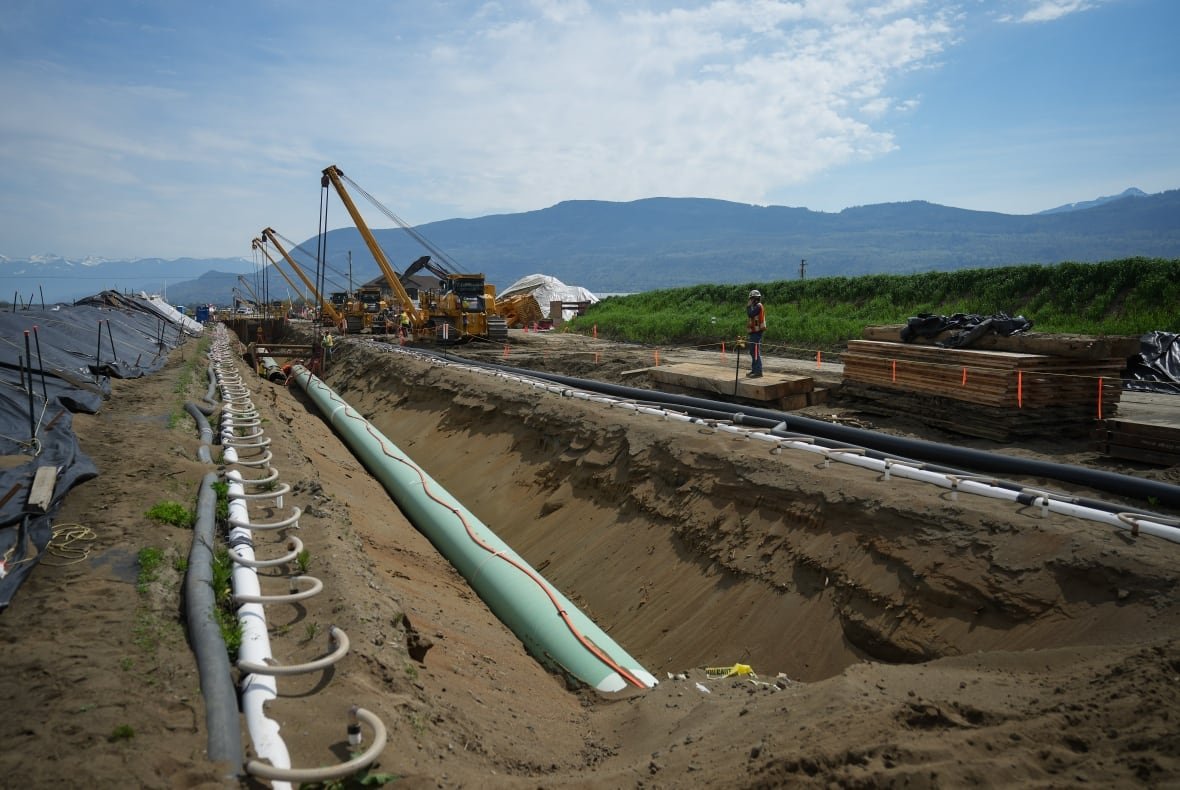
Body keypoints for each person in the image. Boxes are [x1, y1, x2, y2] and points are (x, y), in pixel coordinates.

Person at [745, 289, 766, 378]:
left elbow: (750, 314)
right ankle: (754, 370)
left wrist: (748, 307)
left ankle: (758, 371)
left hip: (757, 332)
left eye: (751, 299)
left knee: (755, 352)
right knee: (752, 351)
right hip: (754, 332)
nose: (750, 301)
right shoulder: (756, 306)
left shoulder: (758, 306)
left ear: (754, 299)